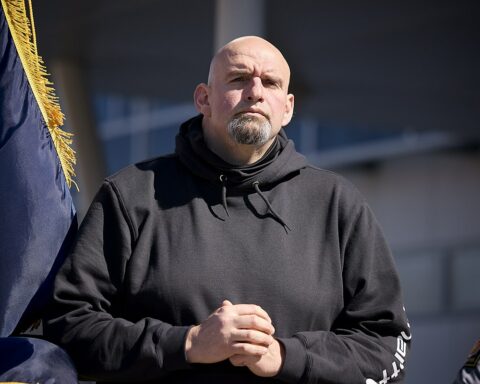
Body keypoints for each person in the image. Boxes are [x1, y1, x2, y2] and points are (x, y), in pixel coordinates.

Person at [45, 36, 411, 383]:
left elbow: (385, 347)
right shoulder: (131, 195)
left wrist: (287, 356)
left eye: (270, 83)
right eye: (238, 79)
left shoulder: (338, 204)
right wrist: (188, 344)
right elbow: (68, 327)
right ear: (203, 98)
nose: (255, 92)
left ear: (287, 108)